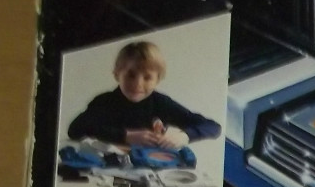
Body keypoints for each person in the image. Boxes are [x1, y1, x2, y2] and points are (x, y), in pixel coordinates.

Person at [67, 39, 221, 149]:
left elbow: (213, 127)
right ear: (117, 74)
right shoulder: (104, 101)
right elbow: (75, 130)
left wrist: (185, 136)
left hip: (148, 166)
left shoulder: (161, 103)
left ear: (157, 80)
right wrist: (125, 136)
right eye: (131, 75)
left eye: (147, 78)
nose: (138, 84)